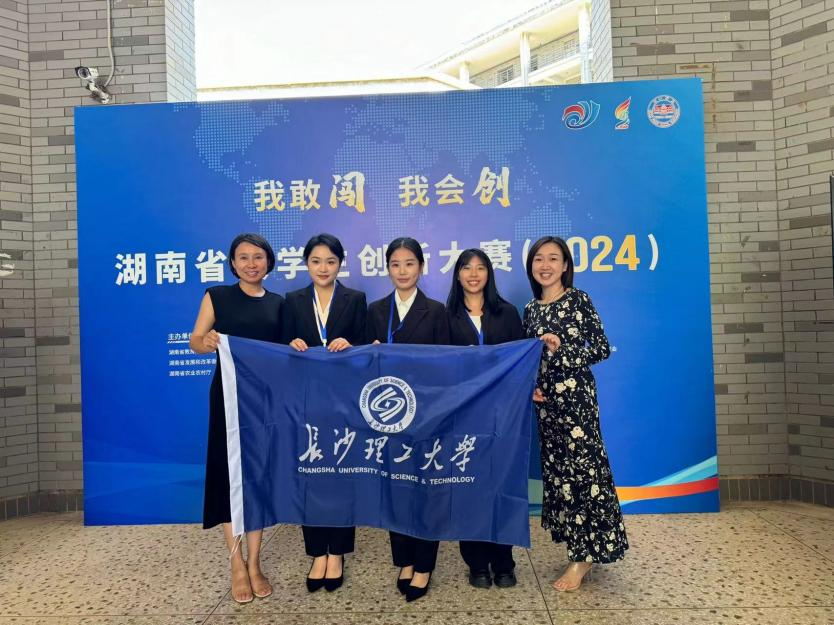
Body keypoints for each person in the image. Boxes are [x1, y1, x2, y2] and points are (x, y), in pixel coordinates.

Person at [522, 236, 628, 592]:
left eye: (554, 258)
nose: (546, 265)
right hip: (546, 406)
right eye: (539, 258)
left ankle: (583, 557)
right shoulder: (530, 309)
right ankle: (577, 546)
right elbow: (526, 359)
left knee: (585, 473)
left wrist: (561, 349)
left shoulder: (578, 300)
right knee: (560, 474)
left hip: (577, 404)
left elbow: (601, 348)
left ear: (565, 265)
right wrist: (530, 386)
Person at [189, 233, 284, 604]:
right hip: (227, 399)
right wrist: (206, 342)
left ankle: (255, 562)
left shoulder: (278, 304)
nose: (251, 264)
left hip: (263, 402)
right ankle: (236, 563)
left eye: (258, 257)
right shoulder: (217, 296)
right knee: (228, 477)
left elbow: (284, 354)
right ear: (232, 263)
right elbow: (195, 340)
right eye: (243, 257)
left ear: (268, 261)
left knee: (256, 478)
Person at [366, 236, 450, 602]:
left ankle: (425, 563)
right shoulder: (375, 311)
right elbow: (361, 367)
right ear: (388, 268)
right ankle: (404, 559)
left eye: (409, 263)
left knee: (426, 488)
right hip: (388, 413)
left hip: (427, 413)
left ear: (421, 267)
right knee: (395, 487)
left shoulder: (437, 311)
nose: (402, 271)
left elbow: (447, 364)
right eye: (395, 264)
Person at [282, 233, 367, 593]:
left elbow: (366, 347)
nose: (323, 268)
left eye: (330, 261)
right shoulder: (293, 300)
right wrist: (291, 344)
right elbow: (281, 348)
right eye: (316, 261)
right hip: (306, 401)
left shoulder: (355, 299)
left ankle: (339, 552)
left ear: (339, 264)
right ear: (306, 263)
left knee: (341, 473)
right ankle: (318, 552)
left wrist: (352, 345)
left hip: (344, 401)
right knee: (311, 474)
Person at [445, 248, 524, 590]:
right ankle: (476, 562)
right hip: (463, 417)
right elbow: (437, 367)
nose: (473, 274)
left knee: (502, 485)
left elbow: (521, 359)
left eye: (480, 268)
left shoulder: (506, 313)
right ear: (458, 274)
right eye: (467, 268)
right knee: (469, 489)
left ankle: (504, 561)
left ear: (489, 273)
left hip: (504, 414)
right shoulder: (446, 316)